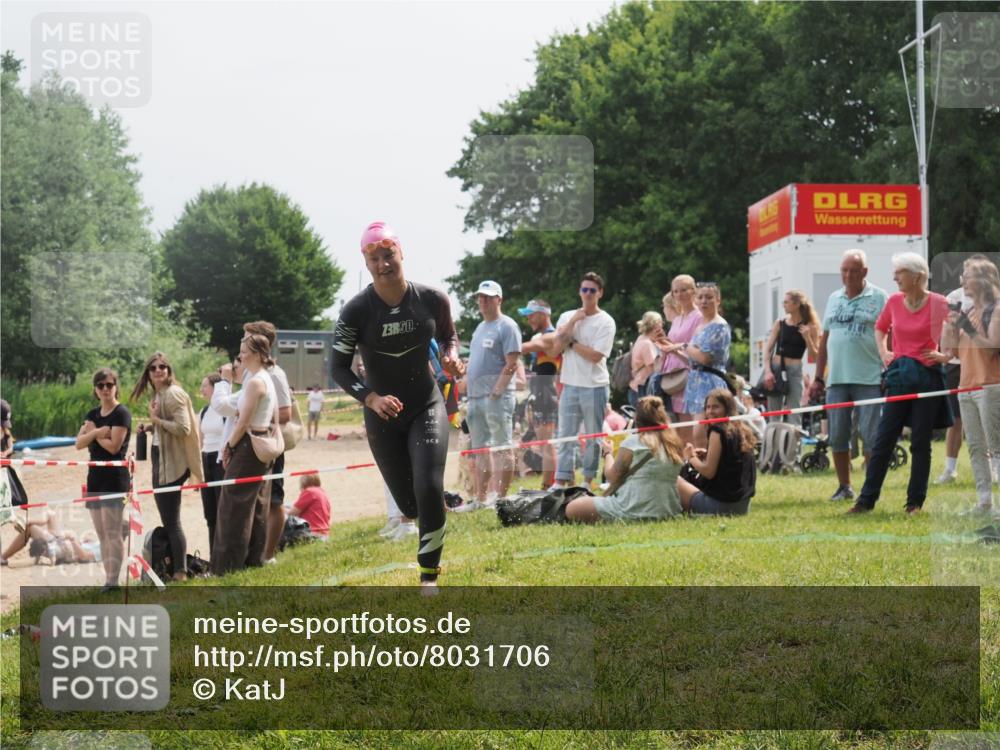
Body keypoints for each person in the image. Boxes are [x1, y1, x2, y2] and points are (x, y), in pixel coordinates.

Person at [331, 221, 462, 589]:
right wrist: (371, 398)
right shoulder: (355, 311)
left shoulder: (432, 299)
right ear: (366, 263)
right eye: (374, 259)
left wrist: (451, 357)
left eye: (388, 255)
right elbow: (337, 368)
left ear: (401, 253)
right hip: (382, 415)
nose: (383, 264)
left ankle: (428, 579)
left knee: (428, 485)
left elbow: (448, 335)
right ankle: (431, 512)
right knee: (409, 506)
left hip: (425, 405)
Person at [848, 252, 952, 515]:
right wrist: (884, 353)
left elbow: (959, 330)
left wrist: (946, 355)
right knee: (883, 440)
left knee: (920, 442)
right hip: (899, 378)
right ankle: (865, 501)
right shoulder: (894, 301)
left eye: (900, 272)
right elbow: (880, 328)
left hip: (927, 378)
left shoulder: (939, 303)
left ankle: (914, 503)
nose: (895, 277)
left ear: (917, 277)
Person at [810, 249, 889, 502]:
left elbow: (890, 334)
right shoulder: (834, 298)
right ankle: (844, 486)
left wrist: (888, 367)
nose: (848, 275)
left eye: (854, 271)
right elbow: (824, 341)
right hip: (837, 379)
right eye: (844, 270)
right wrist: (818, 377)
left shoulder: (879, 297)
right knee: (838, 434)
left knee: (871, 434)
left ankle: (869, 487)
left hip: (869, 377)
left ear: (865, 272)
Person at [130, 353, 202, 581]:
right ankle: (175, 567)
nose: (159, 370)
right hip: (162, 460)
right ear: (148, 374)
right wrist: (151, 428)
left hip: (172, 465)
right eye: (153, 368)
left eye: (163, 367)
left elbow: (184, 428)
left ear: (169, 370)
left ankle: (180, 572)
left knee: (172, 521)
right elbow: (168, 428)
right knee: (169, 519)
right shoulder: (159, 394)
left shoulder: (173, 394)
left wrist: (157, 421)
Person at [212, 333, 277, 574]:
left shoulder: (256, 382)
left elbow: (242, 422)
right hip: (260, 444)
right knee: (257, 504)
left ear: (259, 354)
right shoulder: (264, 379)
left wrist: (229, 446)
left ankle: (226, 567)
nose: (240, 355)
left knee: (233, 505)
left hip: (249, 445)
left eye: (244, 350)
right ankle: (253, 560)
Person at [564, 396, 684, 523]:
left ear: (637, 418)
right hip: (667, 511)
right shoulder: (673, 444)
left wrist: (607, 453)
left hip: (631, 508)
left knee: (573, 507)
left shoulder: (634, 441)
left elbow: (612, 477)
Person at [941, 256, 1000, 514]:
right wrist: (951, 326)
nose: (963, 280)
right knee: (976, 447)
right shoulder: (968, 312)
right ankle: (985, 501)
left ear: (985, 281)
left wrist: (970, 330)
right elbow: (949, 351)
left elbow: (992, 348)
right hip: (966, 386)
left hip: (990, 386)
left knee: (996, 447)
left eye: (969, 275)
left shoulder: (995, 310)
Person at [549, 272, 616, 490]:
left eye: (592, 290)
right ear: (579, 292)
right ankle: (561, 480)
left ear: (600, 293)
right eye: (584, 289)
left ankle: (587, 481)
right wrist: (573, 322)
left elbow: (596, 355)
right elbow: (555, 349)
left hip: (595, 387)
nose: (587, 294)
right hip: (570, 385)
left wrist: (573, 342)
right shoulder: (568, 316)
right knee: (565, 435)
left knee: (593, 437)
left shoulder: (606, 321)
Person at [461, 280, 522, 511]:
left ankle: (501, 498)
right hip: (476, 398)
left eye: (488, 297)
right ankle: (480, 499)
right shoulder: (479, 328)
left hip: (496, 398)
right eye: (480, 297)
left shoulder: (507, 326)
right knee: (480, 449)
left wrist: (497, 391)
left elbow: (512, 363)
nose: (483, 301)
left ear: (499, 299)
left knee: (501, 447)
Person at [243, 321, 295, 565]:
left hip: (270, 445)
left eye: (247, 337)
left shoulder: (276, 374)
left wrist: (259, 412)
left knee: (274, 501)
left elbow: (286, 413)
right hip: (251, 443)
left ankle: (269, 555)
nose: (242, 342)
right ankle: (253, 553)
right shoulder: (249, 372)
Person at [75, 368, 131, 593]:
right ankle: (108, 580)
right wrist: (99, 433)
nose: (106, 389)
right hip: (95, 476)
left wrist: (92, 435)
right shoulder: (93, 414)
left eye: (109, 384)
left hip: (115, 476)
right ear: (95, 390)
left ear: (116, 386)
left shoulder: (121, 413)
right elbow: (78, 443)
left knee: (113, 531)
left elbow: (114, 447)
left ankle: (112, 581)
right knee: (101, 532)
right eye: (101, 385)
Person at [676, 388, 758, 515]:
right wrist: (707, 453)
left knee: (674, 480)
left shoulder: (717, 431)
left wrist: (691, 457)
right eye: (708, 407)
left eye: (715, 407)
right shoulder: (742, 430)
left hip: (721, 507)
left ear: (727, 408)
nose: (710, 412)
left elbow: (709, 472)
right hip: (743, 507)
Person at [936, 263, 979, 485]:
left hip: (980, 362)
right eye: (963, 274)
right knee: (955, 419)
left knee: (984, 417)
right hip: (954, 363)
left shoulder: (992, 299)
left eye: (970, 275)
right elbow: (949, 329)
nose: (964, 279)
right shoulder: (954, 296)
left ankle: (994, 467)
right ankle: (950, 469)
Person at [682, 283, 731, 448]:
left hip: (710, 381)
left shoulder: (719, 326)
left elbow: (704, 358)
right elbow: (692, 357)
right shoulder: (701, 325)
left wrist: (685, 347)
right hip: (695, 380)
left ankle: (708, 467)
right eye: (700, 297)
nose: (704, 301)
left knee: (701, 431)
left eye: (709, 297)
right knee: (695, 433)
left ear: (718, 300)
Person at [761, 289, 821, 425]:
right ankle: (774, 446)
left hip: (795, 370)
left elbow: (814, 356)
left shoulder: (810, 327)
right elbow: (767, 349)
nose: (783, 305)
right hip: (776, 369)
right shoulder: (780, 323)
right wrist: (768, 371)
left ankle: (794, 446)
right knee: (774, 414)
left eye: (786, 302)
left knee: (795, 412)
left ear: (797, 304)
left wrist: (807, 338)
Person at [519, 299, 561, 489]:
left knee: (547, 443)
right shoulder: (541, 336)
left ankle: (549, 486)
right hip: (541, 395)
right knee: (544, 443)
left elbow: (525, 347)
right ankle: (550, 484)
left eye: (531, 314)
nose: (528, 319)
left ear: (544, 314)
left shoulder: (552, 336)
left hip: (547, 395)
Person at [658, 275, 702, 443]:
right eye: (676, 291)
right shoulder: (677, 319)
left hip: (689, 374)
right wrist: (664, 341)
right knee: (681, 428)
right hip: (674, 377)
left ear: (693, 291)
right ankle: (685, 463)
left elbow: (693, 348)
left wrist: (674, 349)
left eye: (684, 290)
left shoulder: (698, 317)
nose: (680, 294)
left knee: (692, 428)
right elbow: (674, 343)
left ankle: (694, 464)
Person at [1, 512, 101, 566]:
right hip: (64, 544)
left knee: (31, 528)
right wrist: (83, 542)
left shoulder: (108, 550)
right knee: (51, 515)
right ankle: (25, 520)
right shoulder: (107, 543)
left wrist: (73, 540)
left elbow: (84, 556)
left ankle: (3, 557)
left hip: (64, 549)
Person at [198, 373, 226, 555]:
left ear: (215, 388)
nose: (201, 389)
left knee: (222, 510)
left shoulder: (225, 410)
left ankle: (224, 555)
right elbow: (200, 440)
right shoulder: (204, 411)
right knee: (210, 513)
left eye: (204, 386)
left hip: (220, 459)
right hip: (206, 458)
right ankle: (213, 555)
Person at [629, 312, 664, 408]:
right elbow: (654, 367)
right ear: (656, 324)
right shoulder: (647, 344)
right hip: (643, 388)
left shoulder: (641, 338)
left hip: (636, 386)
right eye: (661, 322)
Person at [288, 474, 331, 538]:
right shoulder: (322, 493)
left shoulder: (309, 492)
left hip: (312, 532)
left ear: (303, 485)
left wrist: (282, 509)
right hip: (325, 533)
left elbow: (292, 513)